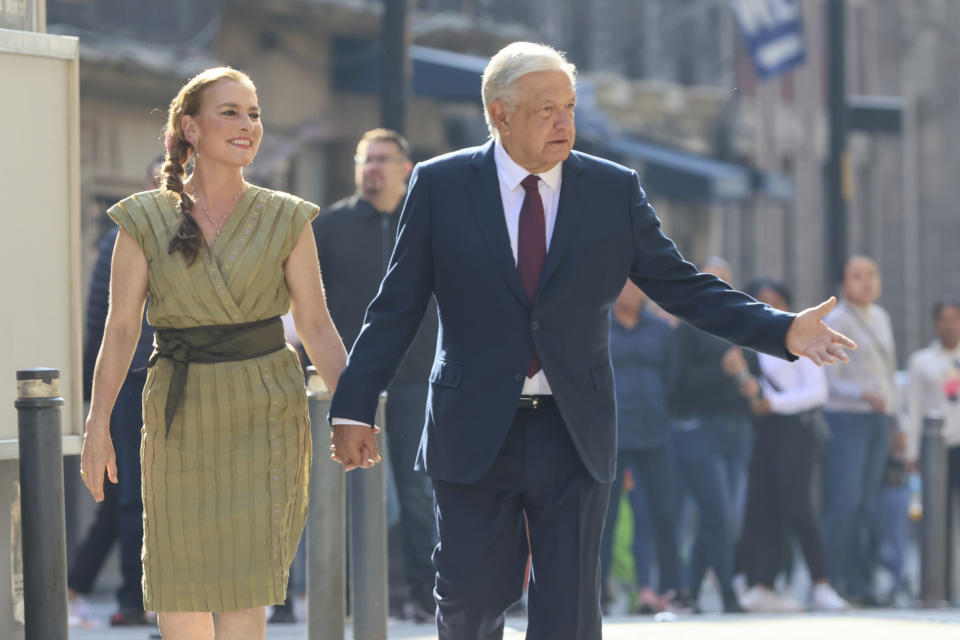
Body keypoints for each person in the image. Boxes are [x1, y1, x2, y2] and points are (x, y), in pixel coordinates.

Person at [328, 42, 854, 640]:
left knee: (570, 613)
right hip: (472, 426)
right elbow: (394, 308)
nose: (565, 122)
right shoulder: (440, 184)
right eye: (546, 108)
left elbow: (682, 287)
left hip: (573, 429)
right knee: (471, 602)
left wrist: (780, 329)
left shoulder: (612, 190)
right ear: (500, 114)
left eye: (570, 106)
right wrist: (353, 406)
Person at [79, 67, 349, 640]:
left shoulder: (288, 216)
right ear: (190, 129)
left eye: (253, 113)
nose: (247, 124)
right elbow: (121, 329)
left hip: (266, 409)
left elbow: (317, 326)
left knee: (246, 583)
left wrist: (352, 412)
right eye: (230, 111)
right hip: (179, 410)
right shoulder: (141, 218)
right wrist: (97, 424)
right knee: (178, 577)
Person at [312, 129, 438, 620]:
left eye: (383, 159)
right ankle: (337, 595)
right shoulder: (331, 225)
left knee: (416, 490)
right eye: (365, 159)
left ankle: (423, 596)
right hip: (346, 380)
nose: (373, 168)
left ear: (406, 168)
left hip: (414, 377)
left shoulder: (427, 221)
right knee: (335, 487)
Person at [67, 159, 162, 628]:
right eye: (160, 176)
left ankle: (84, 585)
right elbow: (100, 321)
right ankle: (133, 598)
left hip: (175, 376)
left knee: (130, 495)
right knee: (129, 495)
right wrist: (97, 398)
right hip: (131, 379)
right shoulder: (122, 234)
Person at [734, 278, 849, 613]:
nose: (768, 306)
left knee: (800, 508)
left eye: (774, 300)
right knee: (764, 509)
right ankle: (763, 583)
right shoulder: (747, 341)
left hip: (796, 434)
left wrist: (773, 404)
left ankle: (821, 584)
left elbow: (817, 393)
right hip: (764, 434)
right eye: (760, 301)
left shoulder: (798, 338)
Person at [668, 257, 754, 613]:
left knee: (722, 515)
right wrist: (722, 370)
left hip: (736, 430)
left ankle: (688, 591)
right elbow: (675, 387)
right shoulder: (686, 329)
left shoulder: (742, 326)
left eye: (726, 281)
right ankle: (728, 595)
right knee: (717, 512)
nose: (721, 287)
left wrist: (747, 382)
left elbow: (754, 374)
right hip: (698, 430)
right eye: (712, 280)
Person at [598, 280, 683, 614]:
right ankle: (598, 591)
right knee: (604, 517)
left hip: (655, 432)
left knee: (663, 513)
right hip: (610, 435)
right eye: (623, 285)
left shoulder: (662, 330)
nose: (630, 292)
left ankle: (671, 590)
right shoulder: (597, 326)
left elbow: (672, 376)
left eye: (636, 286)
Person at [821, 255, 898, 605]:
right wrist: (863, 394)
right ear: (844, 284)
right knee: (846, 503)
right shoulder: (835, 320)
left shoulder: (882, 317)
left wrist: (898, 418)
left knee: (869, 505)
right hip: (846, 420)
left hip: (877, 420)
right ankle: (832, 580)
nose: (866, 282)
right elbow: (829, 379)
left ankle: (862, 583)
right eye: (857, 276)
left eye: (871, 274)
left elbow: (889, 373)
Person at [906, 296, 960, 600]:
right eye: (944, 318)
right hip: (937, 448)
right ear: (935, 322)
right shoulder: (922, 361)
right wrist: (913, 452)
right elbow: (913, 407)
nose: (949, 325)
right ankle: (940, 587)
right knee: (937, 522)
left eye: (955, 318)